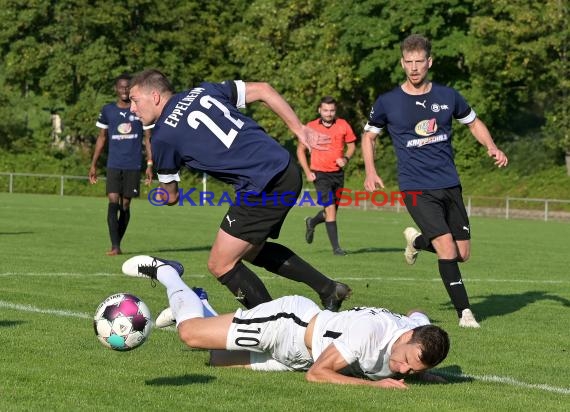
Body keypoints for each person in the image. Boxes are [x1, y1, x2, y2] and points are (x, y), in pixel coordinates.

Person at [128, 69, 351, 311]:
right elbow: (264, 89)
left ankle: (276, 326)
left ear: (155, 96)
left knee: (220, 264)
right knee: (251, 250)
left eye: (135, 100)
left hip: (262, 184)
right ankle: (329, 289)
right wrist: (299, 129)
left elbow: (170, 196)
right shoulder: (203, 90)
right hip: (285, 169)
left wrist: (158, 194)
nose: (132, 109)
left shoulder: (162, 136)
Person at [122, 255, 450, 389]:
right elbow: (318, 374)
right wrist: (374, 386)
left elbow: (416, 313)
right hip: (287, 325)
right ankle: (166, 272)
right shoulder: (369, 334)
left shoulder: (416, 331)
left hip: (295, 356)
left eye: (412, 370)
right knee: (191, 335)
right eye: (406, 361)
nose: (404, 371)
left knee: (216, 358)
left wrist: (424, 371)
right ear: (406, 339)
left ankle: (199, 301)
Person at [361, 34, 508, 328]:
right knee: (445, 248)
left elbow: (474, 122)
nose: (414, 68)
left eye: (419, 62)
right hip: (415, 186)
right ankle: (465, 314)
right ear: (402, 63)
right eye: (408, 62)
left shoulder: (448, 96)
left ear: (430, 62)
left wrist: (491, 146)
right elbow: (369, 136)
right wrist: (370, 171)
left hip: (449, 183)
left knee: (462, 254)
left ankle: (416, 240)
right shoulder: (388, 102)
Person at [89, 73, 153, 256]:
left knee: (125, 205)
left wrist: (150, 164)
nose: (124, 90)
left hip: (133, 165)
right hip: (113, 165)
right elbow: (101, 138)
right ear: (116, 89)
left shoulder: (140, 110)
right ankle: (115, 246)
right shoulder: (108, 110)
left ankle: (117, 243)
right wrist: (93, 164)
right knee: (112, 201)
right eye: (121, 87)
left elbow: (149, 139)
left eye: (127, 87)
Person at [297, 96, 357, 256]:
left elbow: (351, 146)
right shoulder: (311, 127)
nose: (328, 113)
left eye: (331, 110)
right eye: (325, 110)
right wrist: (307, 172)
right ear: (319, 110)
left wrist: (346, 158)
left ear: (335, 111)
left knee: (330, 212)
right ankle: (337, 249)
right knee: (330, 209)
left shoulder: (343, 125)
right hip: (320, 174)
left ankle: (312, 221)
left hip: (337, 174)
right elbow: (300, 150)